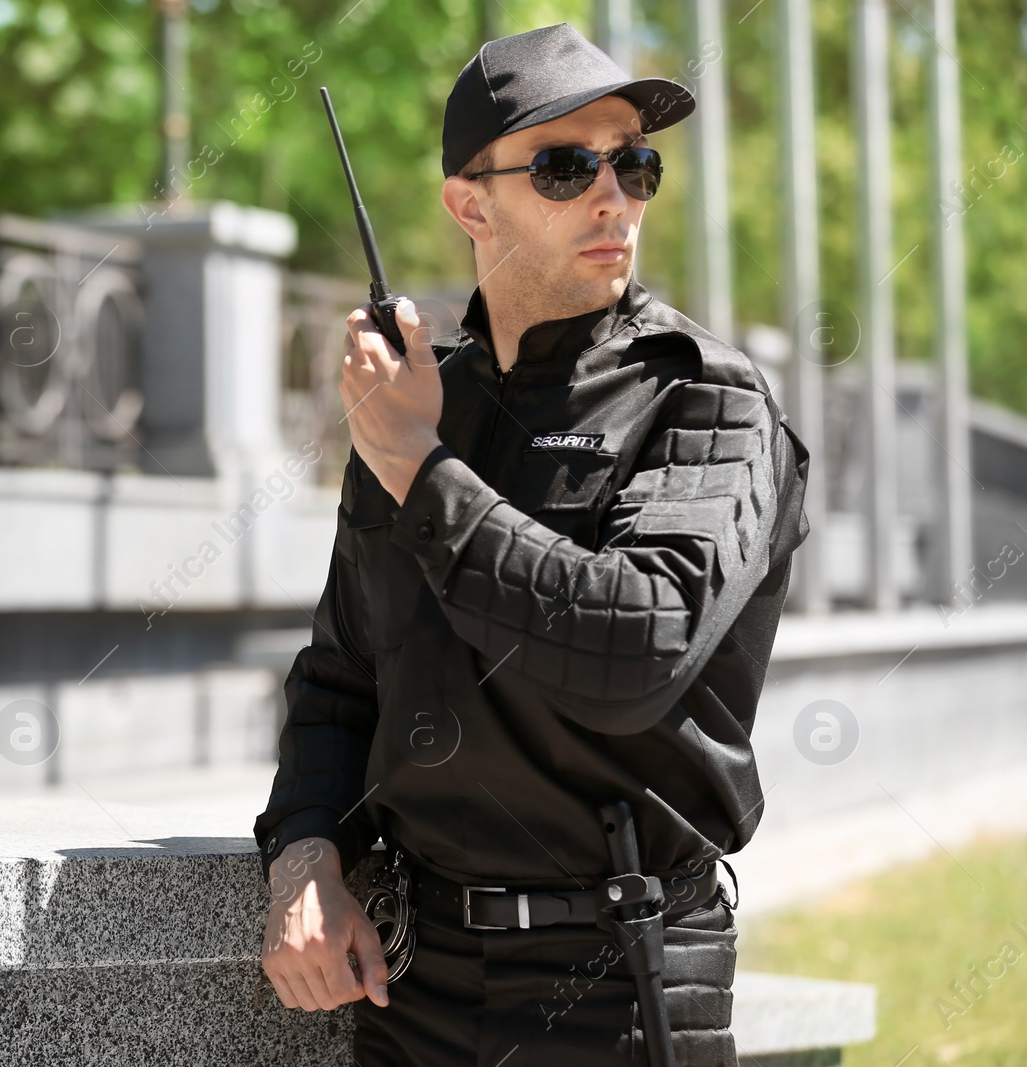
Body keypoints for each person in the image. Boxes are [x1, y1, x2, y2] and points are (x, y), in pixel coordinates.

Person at [254, 22, 811, 1067]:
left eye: (632, 164)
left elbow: (634, 650)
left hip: (623, 977)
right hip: (412, 981)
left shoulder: (705, 397)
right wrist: (304, 855)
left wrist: (420, 467)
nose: (614, 198)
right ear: (470, 204)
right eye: (565, 167)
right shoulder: (421, 403)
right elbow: (338, 681)